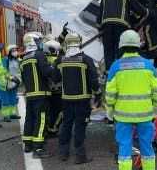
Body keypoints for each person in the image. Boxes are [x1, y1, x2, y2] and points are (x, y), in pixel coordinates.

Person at [105, 30, 157, 170]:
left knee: (124, 149)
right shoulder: (148, 65)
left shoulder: (116, 66)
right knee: (147, 147)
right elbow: (156, 90)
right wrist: (156, 105)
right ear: (138, 46)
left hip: (123, 116)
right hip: (145, 114)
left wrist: (109, 110)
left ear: (121, 46)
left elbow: (110, 92)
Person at [53, 32, 102, 164]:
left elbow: (56, 78)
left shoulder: (60, 60)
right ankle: (80, 157)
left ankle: (63, 154)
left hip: (66, 100)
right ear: (79, 42)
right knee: (80, 126)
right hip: (83, 100)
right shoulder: (85, 59)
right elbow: (93, 79)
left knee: (66, 125)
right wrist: (98, 93)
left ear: (67, 44)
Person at [97, 0, 147, 72]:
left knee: (108, 53)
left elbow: (99, 15)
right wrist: (147, 11)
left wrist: (99, 28)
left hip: (106, 28)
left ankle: (110, 75)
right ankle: (122, 72)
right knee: (121, 51)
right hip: (122, 27)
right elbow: (139, 10)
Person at [21, 33, 54, 159]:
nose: (40, 42)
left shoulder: (24, 58)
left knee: (30, 119)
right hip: (41, 93)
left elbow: (24, 77)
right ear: (34, 42)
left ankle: (28, 145)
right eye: (38, 40)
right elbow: (46, 71)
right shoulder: (39, 55)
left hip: (30, 94)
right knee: (41, 120)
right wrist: (55, 68)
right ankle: (38, 148)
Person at [43, 40, 62, 138]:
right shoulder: (57, 60)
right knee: (59, 111)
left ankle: (47, 128)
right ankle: (53, 129)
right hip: (58, 90)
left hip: (46, 90)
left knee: (49, 110)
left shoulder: (43, 59)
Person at [0, 44, 21, 122]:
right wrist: (11, 78)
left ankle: (12, 113)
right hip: (5, 83)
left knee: (13, 99)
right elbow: (3, 72)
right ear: (8, 52)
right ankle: (6, 115)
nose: (15, 52)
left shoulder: (18, 60)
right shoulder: (5, 60)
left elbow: (20, 72)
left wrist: (18, 80)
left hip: (15, 83)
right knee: (6, 100)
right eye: (13, 51)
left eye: (16, 50)